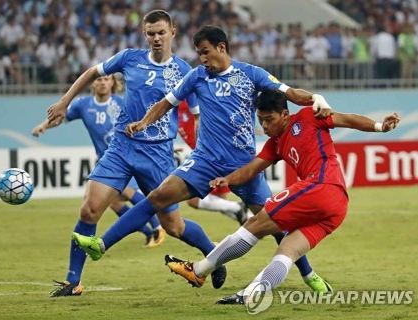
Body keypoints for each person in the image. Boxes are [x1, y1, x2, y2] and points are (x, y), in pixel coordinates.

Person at [73, 25, 335, 293]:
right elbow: (166, 103)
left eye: (206, 52)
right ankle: (101, 245)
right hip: (203, 161)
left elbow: (290, 92)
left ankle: (309, 274)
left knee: (276, 223)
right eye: (199, 54)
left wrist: (315, 98)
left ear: (221, 47)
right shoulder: (197, 76)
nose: (203, 59)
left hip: (243, 164)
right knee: (157, 198)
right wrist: (143, 122)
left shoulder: (250, 74)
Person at [46, 11, 228, 295]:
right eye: (150, 33)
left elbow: (197, 116)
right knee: (89, 209)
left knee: (174, 226)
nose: (156, 38)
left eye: (161, 32)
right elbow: (92, 72)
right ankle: (73, 281)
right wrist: (64, 101)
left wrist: (202, 151)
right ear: (145, 34)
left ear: (173, 32)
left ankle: (213, 253)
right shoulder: (130, 58)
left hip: (158, 156)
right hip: (121, 147)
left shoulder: (184, 72)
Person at [166, 90, 400, 305]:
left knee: (254, 224)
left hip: (321, 185)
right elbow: (251, 169)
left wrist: (381, 126)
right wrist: (228, 179)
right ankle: (251, 295)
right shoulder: (275, 144)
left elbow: (346, 120)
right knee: (288, 249)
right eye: (261, 120)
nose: (265, 126)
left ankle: (198, 271)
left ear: (285, 114)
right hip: (337, 207)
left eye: (269, 119)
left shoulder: (309, 116)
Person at [33, 75, 166, 297]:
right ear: (93, 84)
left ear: (113, 83)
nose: (102, 83)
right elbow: (61, 116)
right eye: (98, 80)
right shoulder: (83, 105)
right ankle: (147, 231)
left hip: (130, 159)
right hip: (107, 163)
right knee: (103, 206)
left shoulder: (123, 103)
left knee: (127, 194)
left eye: (106, 79)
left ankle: (157, 227)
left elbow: (150, 118)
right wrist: (45, 125)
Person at [177, 100, 248, 225]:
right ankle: (248, 220)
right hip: (212, 156)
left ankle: (240, 209)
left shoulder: (193, 101)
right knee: (221, 200)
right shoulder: (174, 107)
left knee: (193, 200)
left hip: (213, 157)